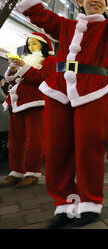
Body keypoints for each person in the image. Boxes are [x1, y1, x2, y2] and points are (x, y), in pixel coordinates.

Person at [6, 0, 108, 228]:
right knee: (57, 147)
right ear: (79, 1)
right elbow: (37, 12)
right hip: (58, 90)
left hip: (93, 89)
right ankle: (63, 204)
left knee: (89, 146)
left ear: (105, 4)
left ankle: (90, 202)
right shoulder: (64, 25)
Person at [0, 33, 56, 188]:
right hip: (17, 102)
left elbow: (42, 78)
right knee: (15, 140)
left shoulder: (50, 60)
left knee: (35, 139)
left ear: (43, 45)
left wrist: (23, 67)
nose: (31, 47)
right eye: (29, 44)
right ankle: (16, 172)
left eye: (35, 44)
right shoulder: (26, 59)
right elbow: (14, 80)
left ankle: (32, 172)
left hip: (36, 103)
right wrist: (12, 70)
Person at [0, 76, 10, 162]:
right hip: (2, 114)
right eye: (3, 80)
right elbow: (4, 98)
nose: (4, 82)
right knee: (3, 134)